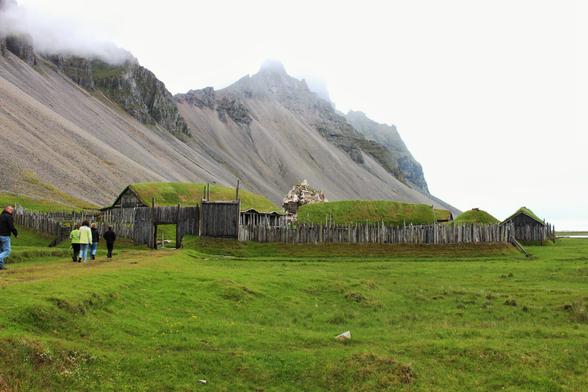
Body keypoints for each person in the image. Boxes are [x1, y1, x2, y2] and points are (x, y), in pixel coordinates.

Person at [0, 206, 18, 270]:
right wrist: (16, 234)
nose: (11, 211)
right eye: (10, 209)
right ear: (6, 209)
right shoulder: (9, 217)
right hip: (5, 236)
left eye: (12, 210)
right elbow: (11, 227)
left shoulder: (0, 216)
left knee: (1, 251)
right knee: (7, 251)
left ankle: (1, 266)